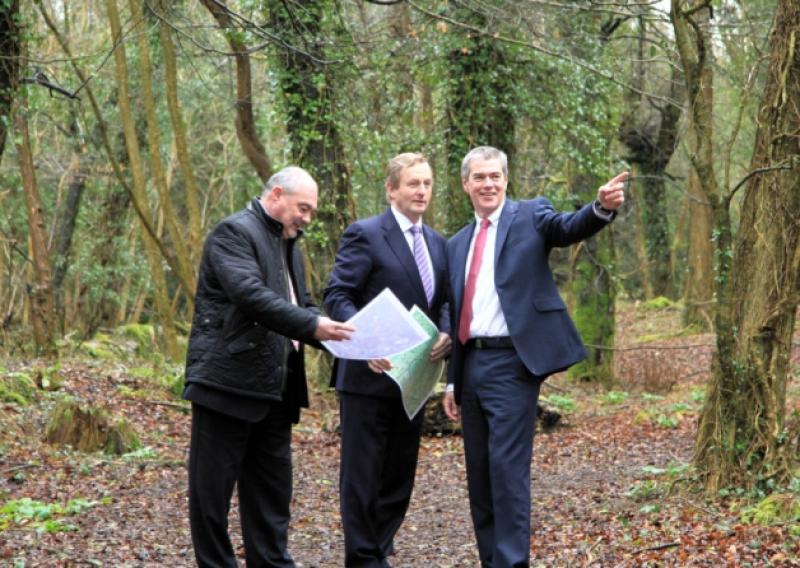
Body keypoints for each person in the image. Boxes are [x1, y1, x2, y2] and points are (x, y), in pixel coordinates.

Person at [443, 146, 627, 568]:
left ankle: (510, 563)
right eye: (480, 177)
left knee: (507, 473)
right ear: (465, 184)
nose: (488, 184)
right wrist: (452, 380)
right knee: (480, 476)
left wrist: (599, 207)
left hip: (512, 364)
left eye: (495, 176)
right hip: (470, 366)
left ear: (506, 180)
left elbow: (567, 227)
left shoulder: (530, 215)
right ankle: (492, 559)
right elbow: (455, 315)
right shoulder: (456, 245)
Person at [183, 166, 354, 568]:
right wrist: (314, 324)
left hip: (276, 391)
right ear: (276, 194)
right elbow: (252, 297)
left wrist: (349, 343)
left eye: (311, 211)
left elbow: (303, 305)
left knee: (272, 496)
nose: (308, 218)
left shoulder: (289, 242)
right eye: (304, 208)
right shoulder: (234, 234)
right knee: (212, 497)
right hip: (227, 385)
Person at [324, 153, 452, 567]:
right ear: (391, 189)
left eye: (427, 184)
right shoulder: (365, 234)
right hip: (368, 376)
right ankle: (362, 558)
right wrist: (364, 343)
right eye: (413, 183)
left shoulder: (437, 243)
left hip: (414, 380)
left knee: (399, 476)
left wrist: (447, 330)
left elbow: (444, 300)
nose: (421, 191)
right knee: (362, 477)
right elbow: (338, 296)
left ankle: (379, 548)